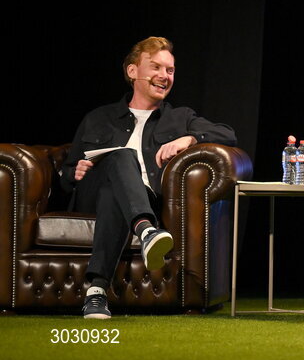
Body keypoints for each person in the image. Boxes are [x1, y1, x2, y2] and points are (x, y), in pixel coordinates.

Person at [62, 37, 237, 320]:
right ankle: (147, 232)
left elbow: (228, 134)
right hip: (91, 197)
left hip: (144, 198)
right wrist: (74, 172)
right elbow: (66, 175)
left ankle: (96, 291)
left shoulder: (179, 118)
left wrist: (190, 138)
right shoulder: (98, 118)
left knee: (113, 194)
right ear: (132, 72)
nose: (164, 76)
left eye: (169, 70)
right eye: (155, 67)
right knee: (121, 157)